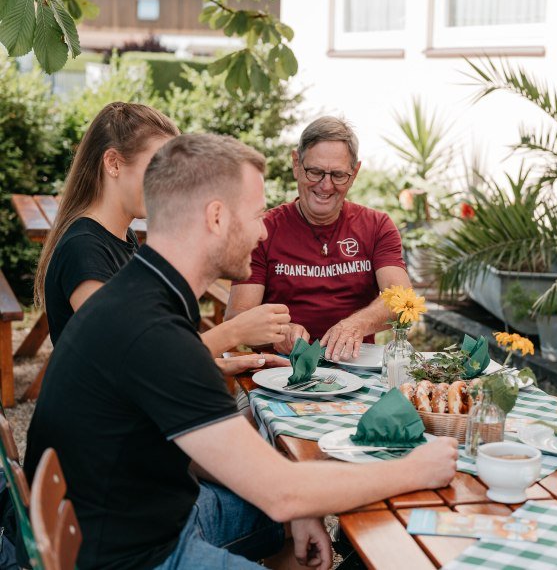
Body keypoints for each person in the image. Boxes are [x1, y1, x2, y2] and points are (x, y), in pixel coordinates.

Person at [23, 133, 459, 570]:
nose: (264, 229)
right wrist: (416, 470)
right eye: (255, 215)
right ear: (216, 217)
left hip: (137, 519)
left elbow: (208, 456)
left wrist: (297, 507)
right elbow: (282, 491)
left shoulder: (140, 296)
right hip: (142, 556)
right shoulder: (155, 333)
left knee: (292, 517)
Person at [33, 102, 290, 374]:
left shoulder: (124, 238)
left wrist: (213, 365)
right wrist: (234, 331)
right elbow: (127, 356)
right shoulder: (83, 247)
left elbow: (147, 348)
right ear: (113, 163)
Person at [226, 116, 411, 361]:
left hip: (355, 368)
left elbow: (404, 301)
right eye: (315, 172)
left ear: (354, 173)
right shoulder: (263, 230)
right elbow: (237, 316)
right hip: (275, 372)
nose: (325, 186)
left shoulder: (377, 227)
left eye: (338, 175)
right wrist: (278, 333)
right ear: (296, 163)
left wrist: (356, 325)